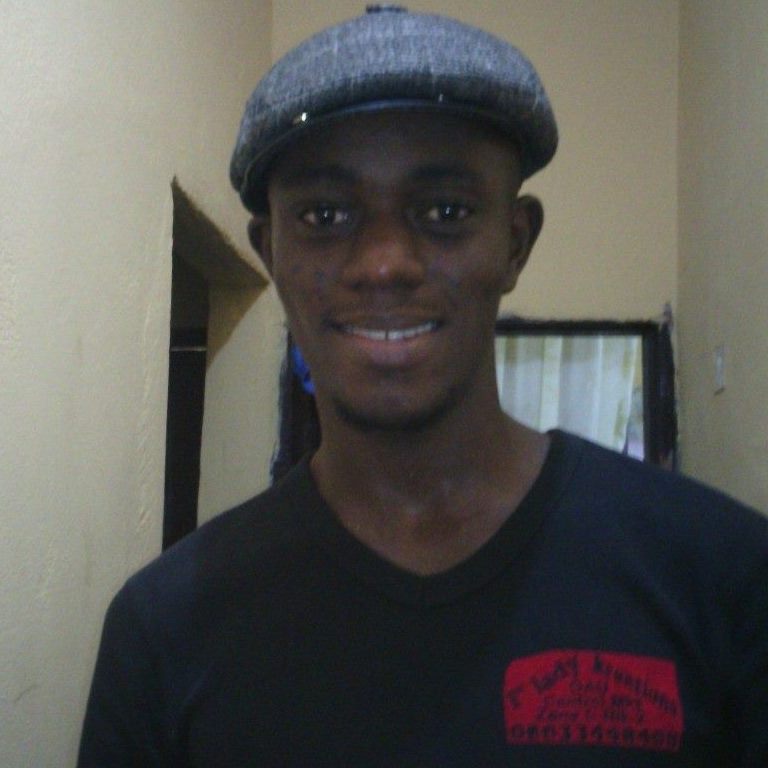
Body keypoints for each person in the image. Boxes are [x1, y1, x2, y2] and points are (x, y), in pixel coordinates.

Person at [78, 7, 768, 766]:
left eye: (445, 211)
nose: (385, 264)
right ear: (271, 253)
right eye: (325, 215)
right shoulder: (164, 627)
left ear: (514, 242)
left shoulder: (724, 576)